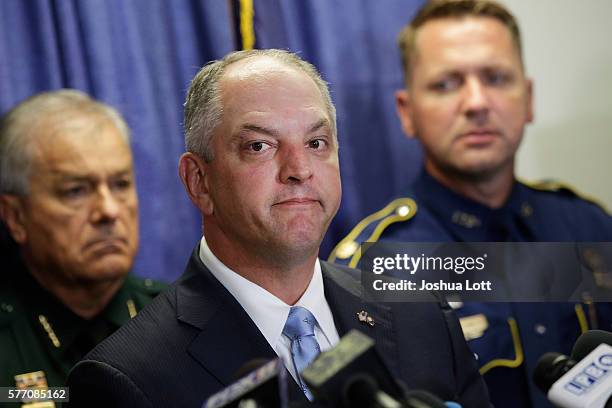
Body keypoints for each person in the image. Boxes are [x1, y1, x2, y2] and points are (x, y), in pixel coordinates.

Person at [66, 49, 490, 407]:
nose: (299, 170)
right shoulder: (125, 378)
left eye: (316, 143)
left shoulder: (423, 318)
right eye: (259, 146)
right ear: (199, 181)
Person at [329, 1, 612, 407]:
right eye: (446, 84)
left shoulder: (588, 227)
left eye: (496, 78)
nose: (476, 102)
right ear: (406, 113)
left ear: (528, 98)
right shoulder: (374, 263)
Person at [0, 90, 166, 397]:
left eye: (120, 185)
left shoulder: (182, 319)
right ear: (16, 218)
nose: (108, 211)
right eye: (76, 191)